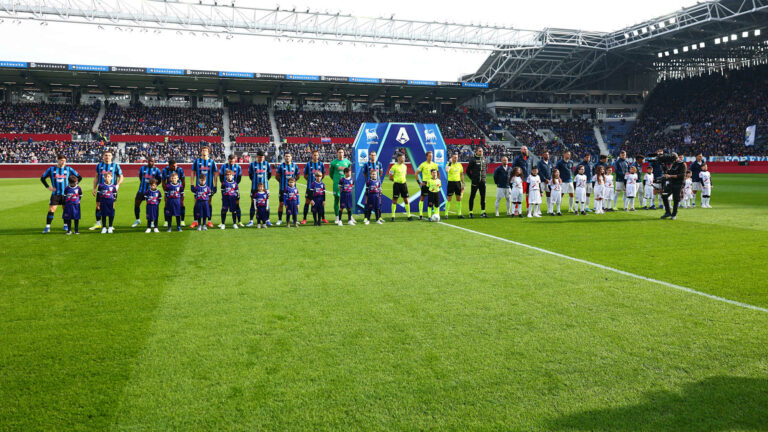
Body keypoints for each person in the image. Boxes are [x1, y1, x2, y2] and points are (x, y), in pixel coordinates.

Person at [40, 154, 82, 234]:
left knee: (66, 210)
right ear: (58, 160)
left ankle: (65, 225)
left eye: (64, 161)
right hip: (56, 194)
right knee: (51, 209)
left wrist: (74, 186)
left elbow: (79, 177)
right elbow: (42, 178)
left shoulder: (69, 169)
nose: (63, 162)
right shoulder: (51, 169)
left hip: (66, 194)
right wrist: (48, 187)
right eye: (61, 160)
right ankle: (47, 227)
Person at [90, 151, 123, 231]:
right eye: (106, 155)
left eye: (109, 155)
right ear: (103, 156)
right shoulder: (99, 166)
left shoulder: (115, 166)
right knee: (98, 206)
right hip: (101, 190)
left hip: (111, 190)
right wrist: (94, 188)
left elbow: (121, 177)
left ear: (112, 157)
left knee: (111, 207)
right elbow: (96, 177)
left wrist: (117, 185)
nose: (107, 156)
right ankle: (98, 224)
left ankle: (110, 225)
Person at [191, 146, 217, 229]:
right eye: (203, 150)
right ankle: (195, 221)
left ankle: (209, 221)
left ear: (208, 152)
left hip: (209, 186)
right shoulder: (197, 161)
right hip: (198, 187)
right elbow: (192, 172)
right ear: (201, 152)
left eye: (206, 150)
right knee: (196, 204)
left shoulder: (212, 162)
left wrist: (215, 185)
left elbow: (215, 174)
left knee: (208, 204)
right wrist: (192, 184)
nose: (204, 151)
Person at [132, 157, 162, 228]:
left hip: (151, 192)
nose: (150, 162)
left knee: (150, 206)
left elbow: (159, 180)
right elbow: (140, 177)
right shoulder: (142, 168)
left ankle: (151, 221)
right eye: (149, 161)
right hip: (141, 190)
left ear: (154, 162)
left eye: (152, 161)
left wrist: (154, 185)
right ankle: (137, 220)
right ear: (147, 161)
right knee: (136, 204)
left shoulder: (157, 170)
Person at [659, 152, 687, 220]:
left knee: (676, 199)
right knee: (664, 195)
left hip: (679, 183)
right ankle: (668, 212)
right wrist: (665, 171)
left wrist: (670, 176)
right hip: (671, 182)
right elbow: (670, 172)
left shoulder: (682, 164)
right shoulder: (673, 164)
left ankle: (674, 214)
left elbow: (682, 175)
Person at [247, 150, 272, 227]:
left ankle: (267, 220)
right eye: (260, 157)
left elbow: (269, 175)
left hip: (265, 188)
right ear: (257, 156)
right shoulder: (252, 164)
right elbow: (250, 175)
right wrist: (256, 183)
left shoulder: (267, 164)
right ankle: (251, 220)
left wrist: (264, 185)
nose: (261, 158)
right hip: (255, 188)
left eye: (262, 157)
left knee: (266, 203)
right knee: (253, 203)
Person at [302, 149, 325, 225]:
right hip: (310, 187)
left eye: (317, 155)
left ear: (319, 156)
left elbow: (323, 175)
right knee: (307, 202)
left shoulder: (321, 164)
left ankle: (323, 218)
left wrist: (318, 182)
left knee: (320, 202)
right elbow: (305, 175)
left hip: (319, 188)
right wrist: (310, 182)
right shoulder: (308, 164)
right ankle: (304, 219)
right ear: (312, 156)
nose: (315, 156)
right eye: (314, 155)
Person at [219, 154, 243, 227]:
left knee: (237, 205)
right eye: (230, 160)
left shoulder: (238, 167)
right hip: (226, 188)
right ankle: (222, 222)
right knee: (224, 206)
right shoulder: (223, 166)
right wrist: (226, 184)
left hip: (234, 188)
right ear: (228, 159)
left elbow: (239, 178)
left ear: (234, 160)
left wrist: (233, 185)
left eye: (233, 160)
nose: (231, 162)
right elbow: (221, 177)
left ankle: (239, 221)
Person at [329, 148, 352, 224]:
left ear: (344, 153)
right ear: (337, 153)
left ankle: (350, 217)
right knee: (337, 200)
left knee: (347, 200)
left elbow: (349, 172)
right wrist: (336, 180)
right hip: (336, 184)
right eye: (339, 152)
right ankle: (337, 217)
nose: (341, 153)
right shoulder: (333, 163)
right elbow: (331, 174)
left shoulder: (347, 162)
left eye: (342, 152)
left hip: (346, 184)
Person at [275, 152, 299, 225]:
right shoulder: (281, 166)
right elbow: (277, 176)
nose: (287, 158)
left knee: (294, 204)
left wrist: (292, 183)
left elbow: (297, 176)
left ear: (291, 157)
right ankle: (280, 219)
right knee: (281, 204)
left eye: (289, 156)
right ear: (284, 157)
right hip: (283, 189)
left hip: (292, 189)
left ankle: (293, 219)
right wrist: (282, 182)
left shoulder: (294, 166)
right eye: (286, 156)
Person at [161, 159, 186, 227]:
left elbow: (183, 180)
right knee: (166, 205)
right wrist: (165, 191)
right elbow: (163, 181)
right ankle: (166, 221)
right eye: (173, 166)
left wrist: (182, 190)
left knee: (182, 204)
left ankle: (182, 220)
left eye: (176, 166)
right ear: (169, 165)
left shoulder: (180, 169)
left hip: (178, 190)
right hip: (169, 191)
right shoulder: (164, 170)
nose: (175, 167)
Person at [388, 152, 412, 221]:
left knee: (406, 199)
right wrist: (396, 180)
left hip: (404, 184)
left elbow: (405, 175)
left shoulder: (405, 166)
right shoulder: (394, 167)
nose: (404, 159)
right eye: (402, 158)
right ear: (398, 158)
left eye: (404, 158)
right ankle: (393, 216)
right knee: (395, 200)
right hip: (396, 185)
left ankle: (409, 216)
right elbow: (390, 177)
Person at [416, 151, 439, 220]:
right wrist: (419, 182)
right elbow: (416, 173)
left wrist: (438, 181)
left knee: (434, 200)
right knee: (422, 198)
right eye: (429, 156)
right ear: (426, 156)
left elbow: (438, 173)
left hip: (433, 184)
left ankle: (435, 215)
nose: (431, 157)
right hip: (425, 184)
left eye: (432, 156)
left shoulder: (435, 165)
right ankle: (420, 214)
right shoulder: (422, 165)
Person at [466, 147, 488, 218]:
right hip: (475, 182)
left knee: (483, 197)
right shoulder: (473, 160)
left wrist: (484, 178)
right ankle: (471, 213)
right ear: (476, 152)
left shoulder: (485, 159)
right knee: (472, 197)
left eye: (482, 151)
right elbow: (467, 171)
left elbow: (485, 169)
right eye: (479, 151)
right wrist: (472, 178)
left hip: (483, 182)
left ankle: (483, 212)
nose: (481, 152)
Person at [445, 153, 465, 219]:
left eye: (456, 157)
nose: (455, 159)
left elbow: (461, 174)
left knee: (458, 198)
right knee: (449, 198)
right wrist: (450, 162)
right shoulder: (448, 165)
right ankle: (446, 214)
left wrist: (463, 182)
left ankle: (459, 214)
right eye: (454, 157)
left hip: (458, 183)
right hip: (451, 183)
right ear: (451, 158)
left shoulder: (459, 165)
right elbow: (447, 170)